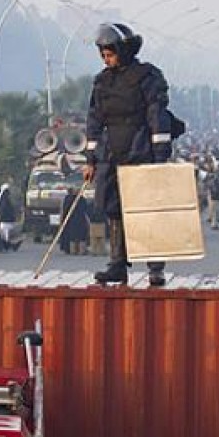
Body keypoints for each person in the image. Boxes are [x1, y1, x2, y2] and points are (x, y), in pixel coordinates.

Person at [82, 23, 173, 286]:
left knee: (146, 210)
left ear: (123, 50)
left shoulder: (148, 77)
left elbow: (157, 116)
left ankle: (155, 267)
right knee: (112, 208)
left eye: (109, 54)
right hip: (111, 152)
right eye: (102, 55)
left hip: (140, 148)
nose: (106, 59)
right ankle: (117, 263)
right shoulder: (102, 81)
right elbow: (94, 120)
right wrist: (90, 160)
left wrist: (160, 156)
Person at [0, 180, 21, 251]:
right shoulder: (4, 198)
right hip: (5, 219)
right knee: (5, 233)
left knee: (5, 234)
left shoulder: (3, 198)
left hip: (5, 218)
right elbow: (4, 209)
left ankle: (10, 246)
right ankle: (10, 246)